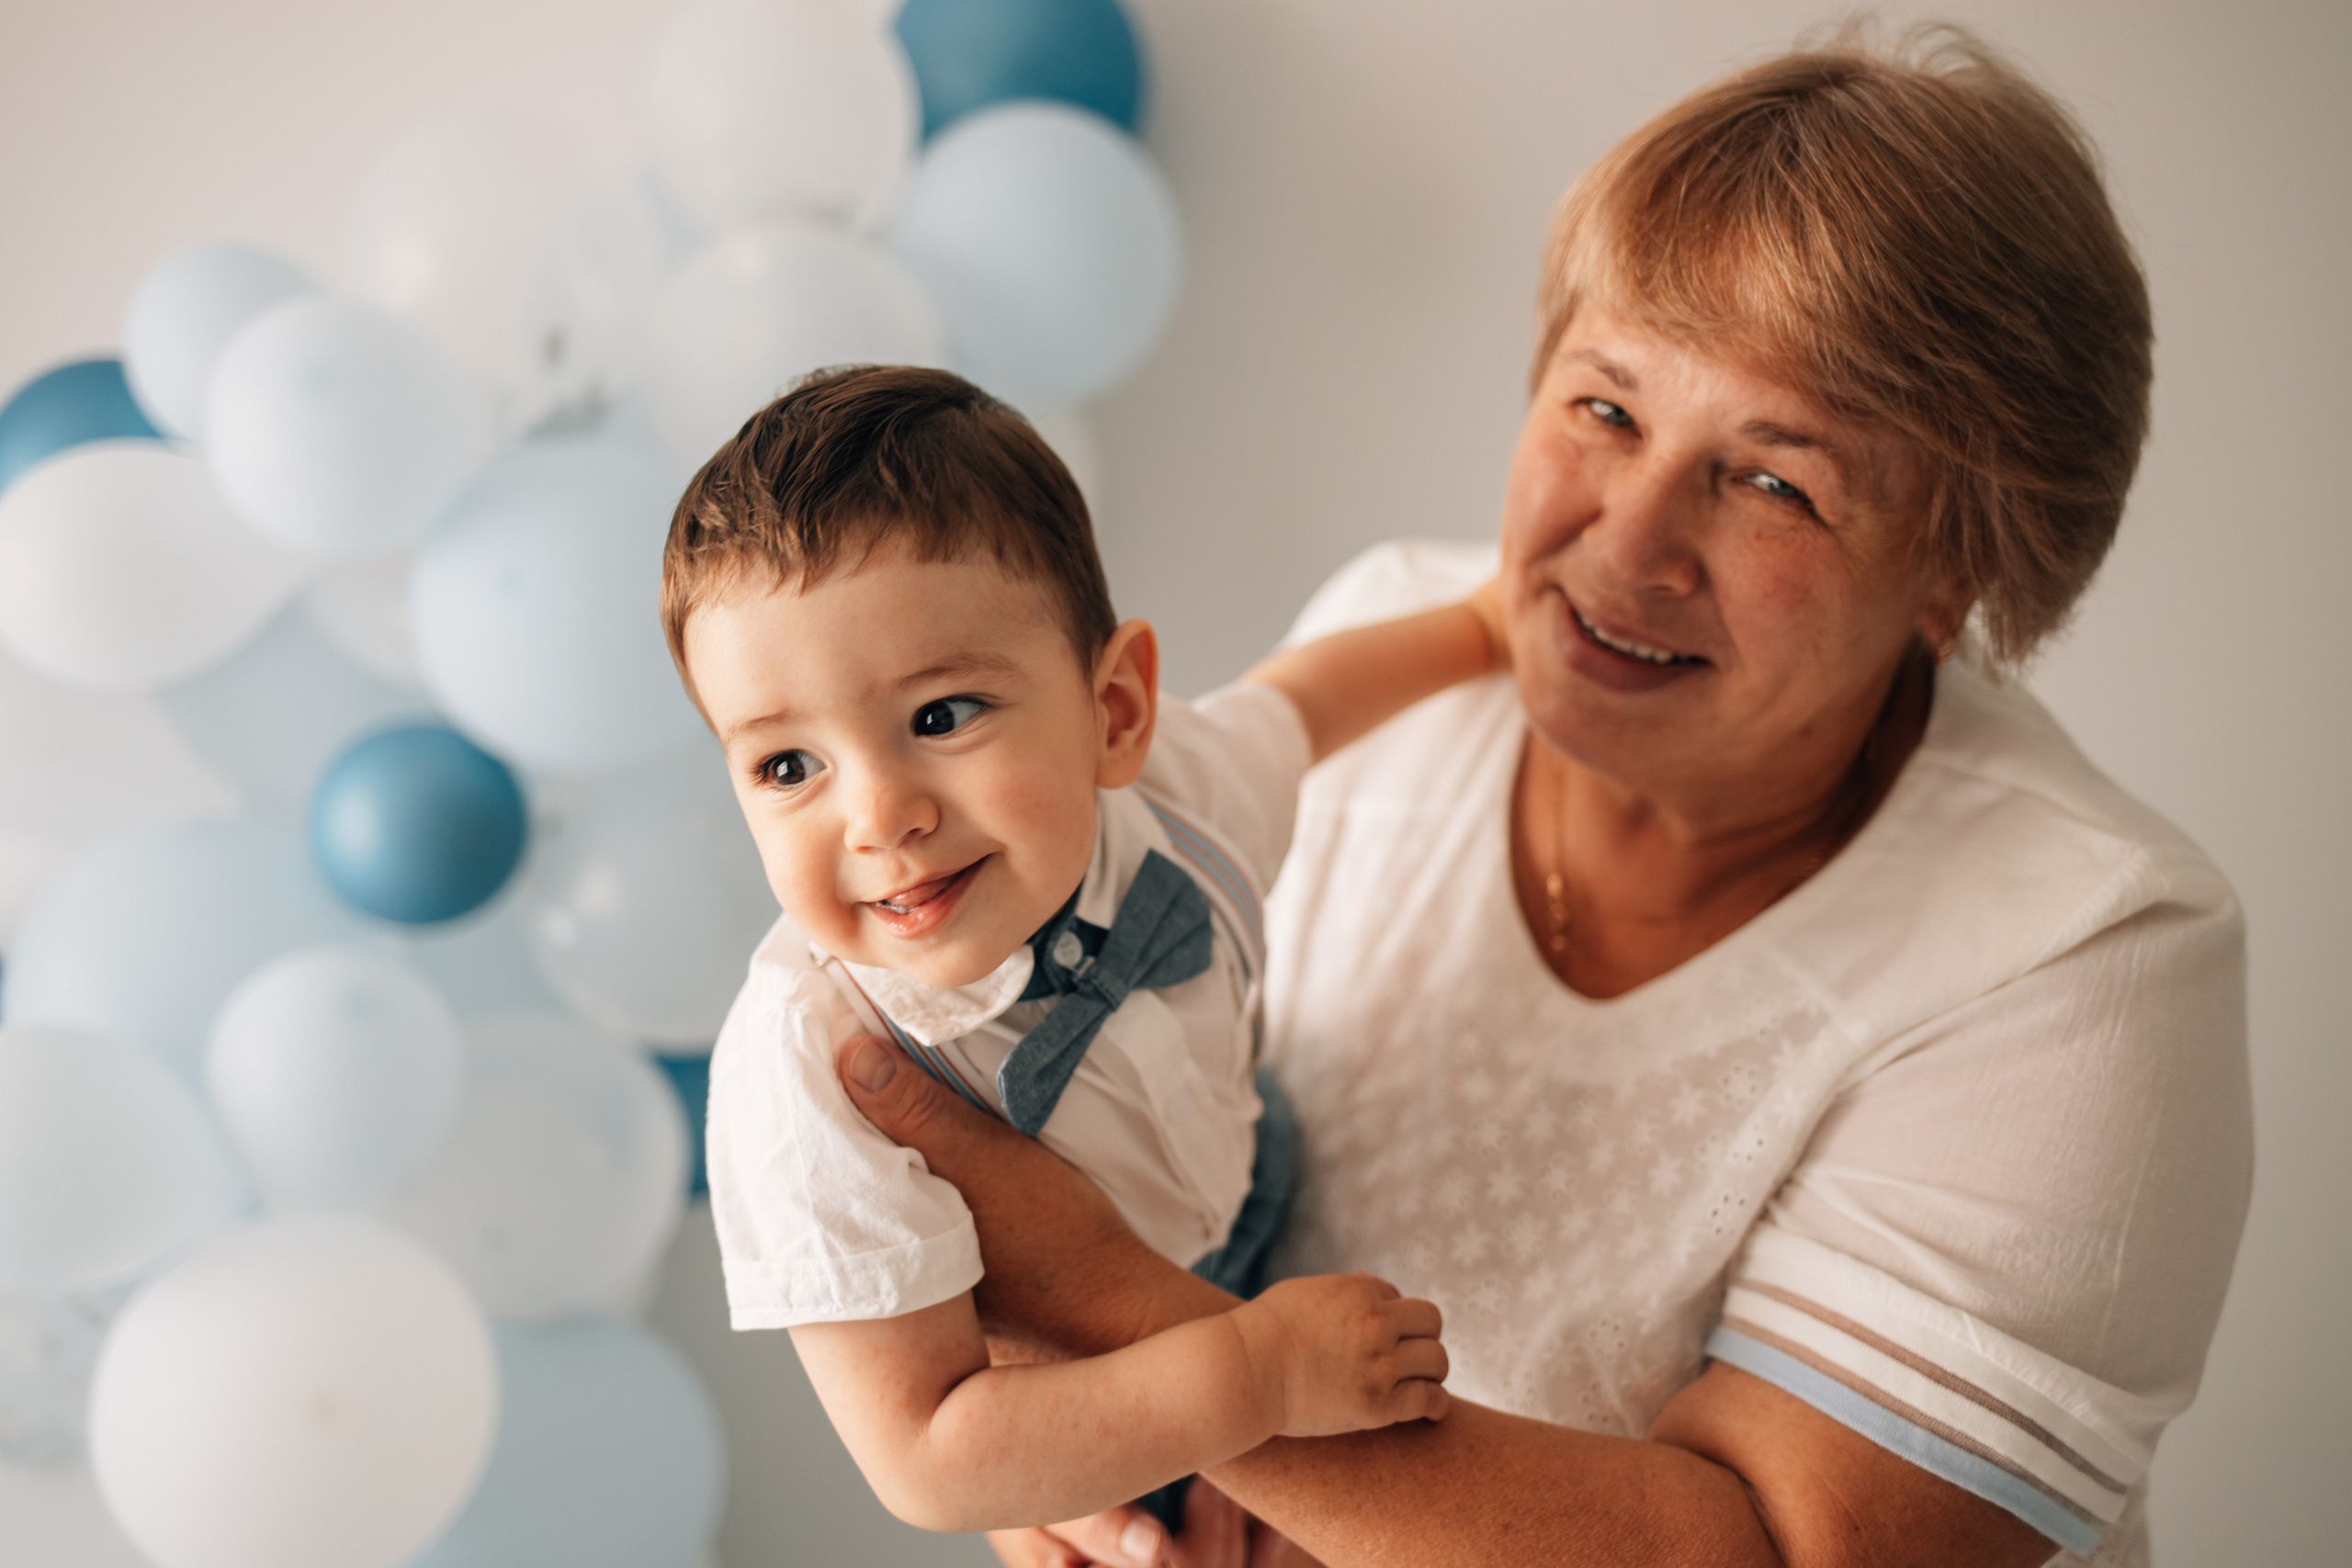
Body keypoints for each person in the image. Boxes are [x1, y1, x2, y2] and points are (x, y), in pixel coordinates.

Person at [827, 28, 2254, 1568]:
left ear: (1960, 567)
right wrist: (1077, 1455)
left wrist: (1101, 1304)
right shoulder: (1394, 655)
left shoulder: (2086, 950)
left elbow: (1769, 1551)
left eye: (1776, 480)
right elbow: (1142, 1131)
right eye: (1608, 409)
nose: (1625, 541)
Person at [661, 365, 1510, 1537]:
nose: (878, 818)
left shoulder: (1176, 795)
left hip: (1261, 1186)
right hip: (1072, 1395)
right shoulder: (805, 1074)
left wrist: (1479, 628)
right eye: (787, 766)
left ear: (1114, 715)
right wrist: (1252, 1376)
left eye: (941, 716)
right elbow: (929, 1459)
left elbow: (1304, 703)